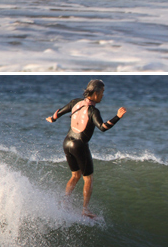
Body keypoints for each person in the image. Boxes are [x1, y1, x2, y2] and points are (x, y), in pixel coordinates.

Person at [46, 79, 127, 218]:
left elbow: (59, 112)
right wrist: (117, 117)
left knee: (75, 175)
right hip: (79, 145)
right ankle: (85, 210)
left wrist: (52, 118)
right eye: (102, 92)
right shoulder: (93, 111)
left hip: (67, 142)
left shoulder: (75, 102)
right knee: (88, 178)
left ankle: (65, 202)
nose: (102, 95)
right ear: (95, 93)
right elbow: (103, 127)